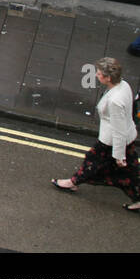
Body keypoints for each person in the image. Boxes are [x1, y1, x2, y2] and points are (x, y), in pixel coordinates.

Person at [53, 57, 140, 211]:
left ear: (108, 78)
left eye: (99, 74)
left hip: (111, 142)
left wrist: (119, 156)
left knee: (92, 162)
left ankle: (72, 183)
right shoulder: (124, 85)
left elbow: (118, 130)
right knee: (130, 173)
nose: (96, 76)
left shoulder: (115, 101)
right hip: (127, 137)